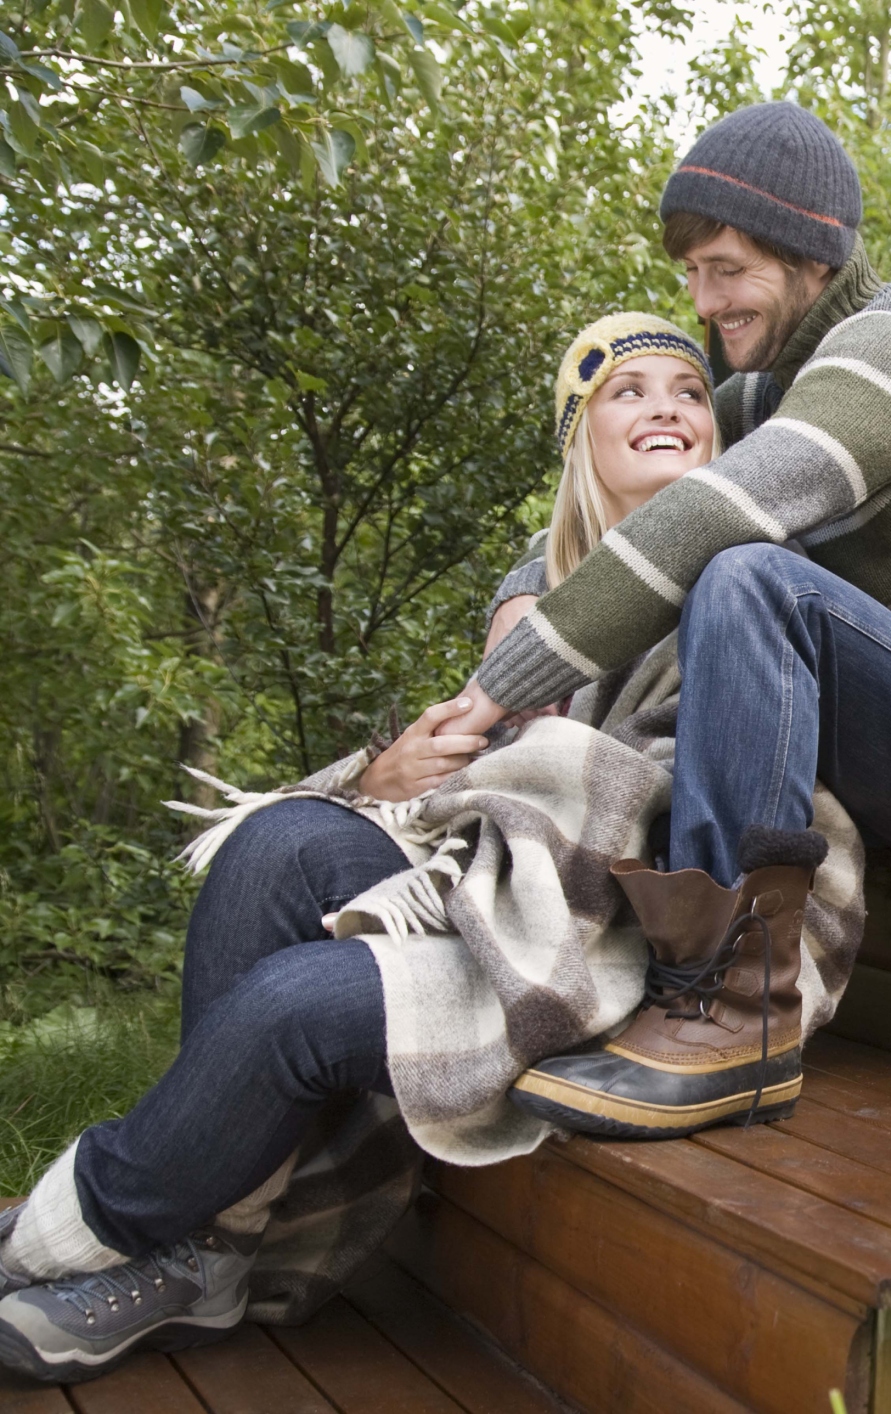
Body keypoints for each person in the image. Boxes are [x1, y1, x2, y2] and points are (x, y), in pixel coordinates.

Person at [0, 315, 729, 1383]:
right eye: (630, 390)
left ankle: (61, 1236)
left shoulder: (737, 573)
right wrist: (387, 778)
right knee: (278, 842)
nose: (667, 405)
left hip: (596, 933)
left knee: (296, 1000)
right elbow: (480, 785)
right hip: (497, 887)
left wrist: (524, 776)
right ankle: (201, 1246)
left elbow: (620, 793)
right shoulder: (542, 594)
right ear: (581, 438)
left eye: (690, 390)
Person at [474, 101, 891, 1137]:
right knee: (734, 568)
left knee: (747, 573)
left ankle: (737, 1014)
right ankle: (677, 977)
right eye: (692, 271)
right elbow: (633, 505)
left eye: (725, 268)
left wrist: (494, 694)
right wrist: (518, 599)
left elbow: (710, 517)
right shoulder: (772, 386)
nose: (702, 300)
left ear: (812, 252)